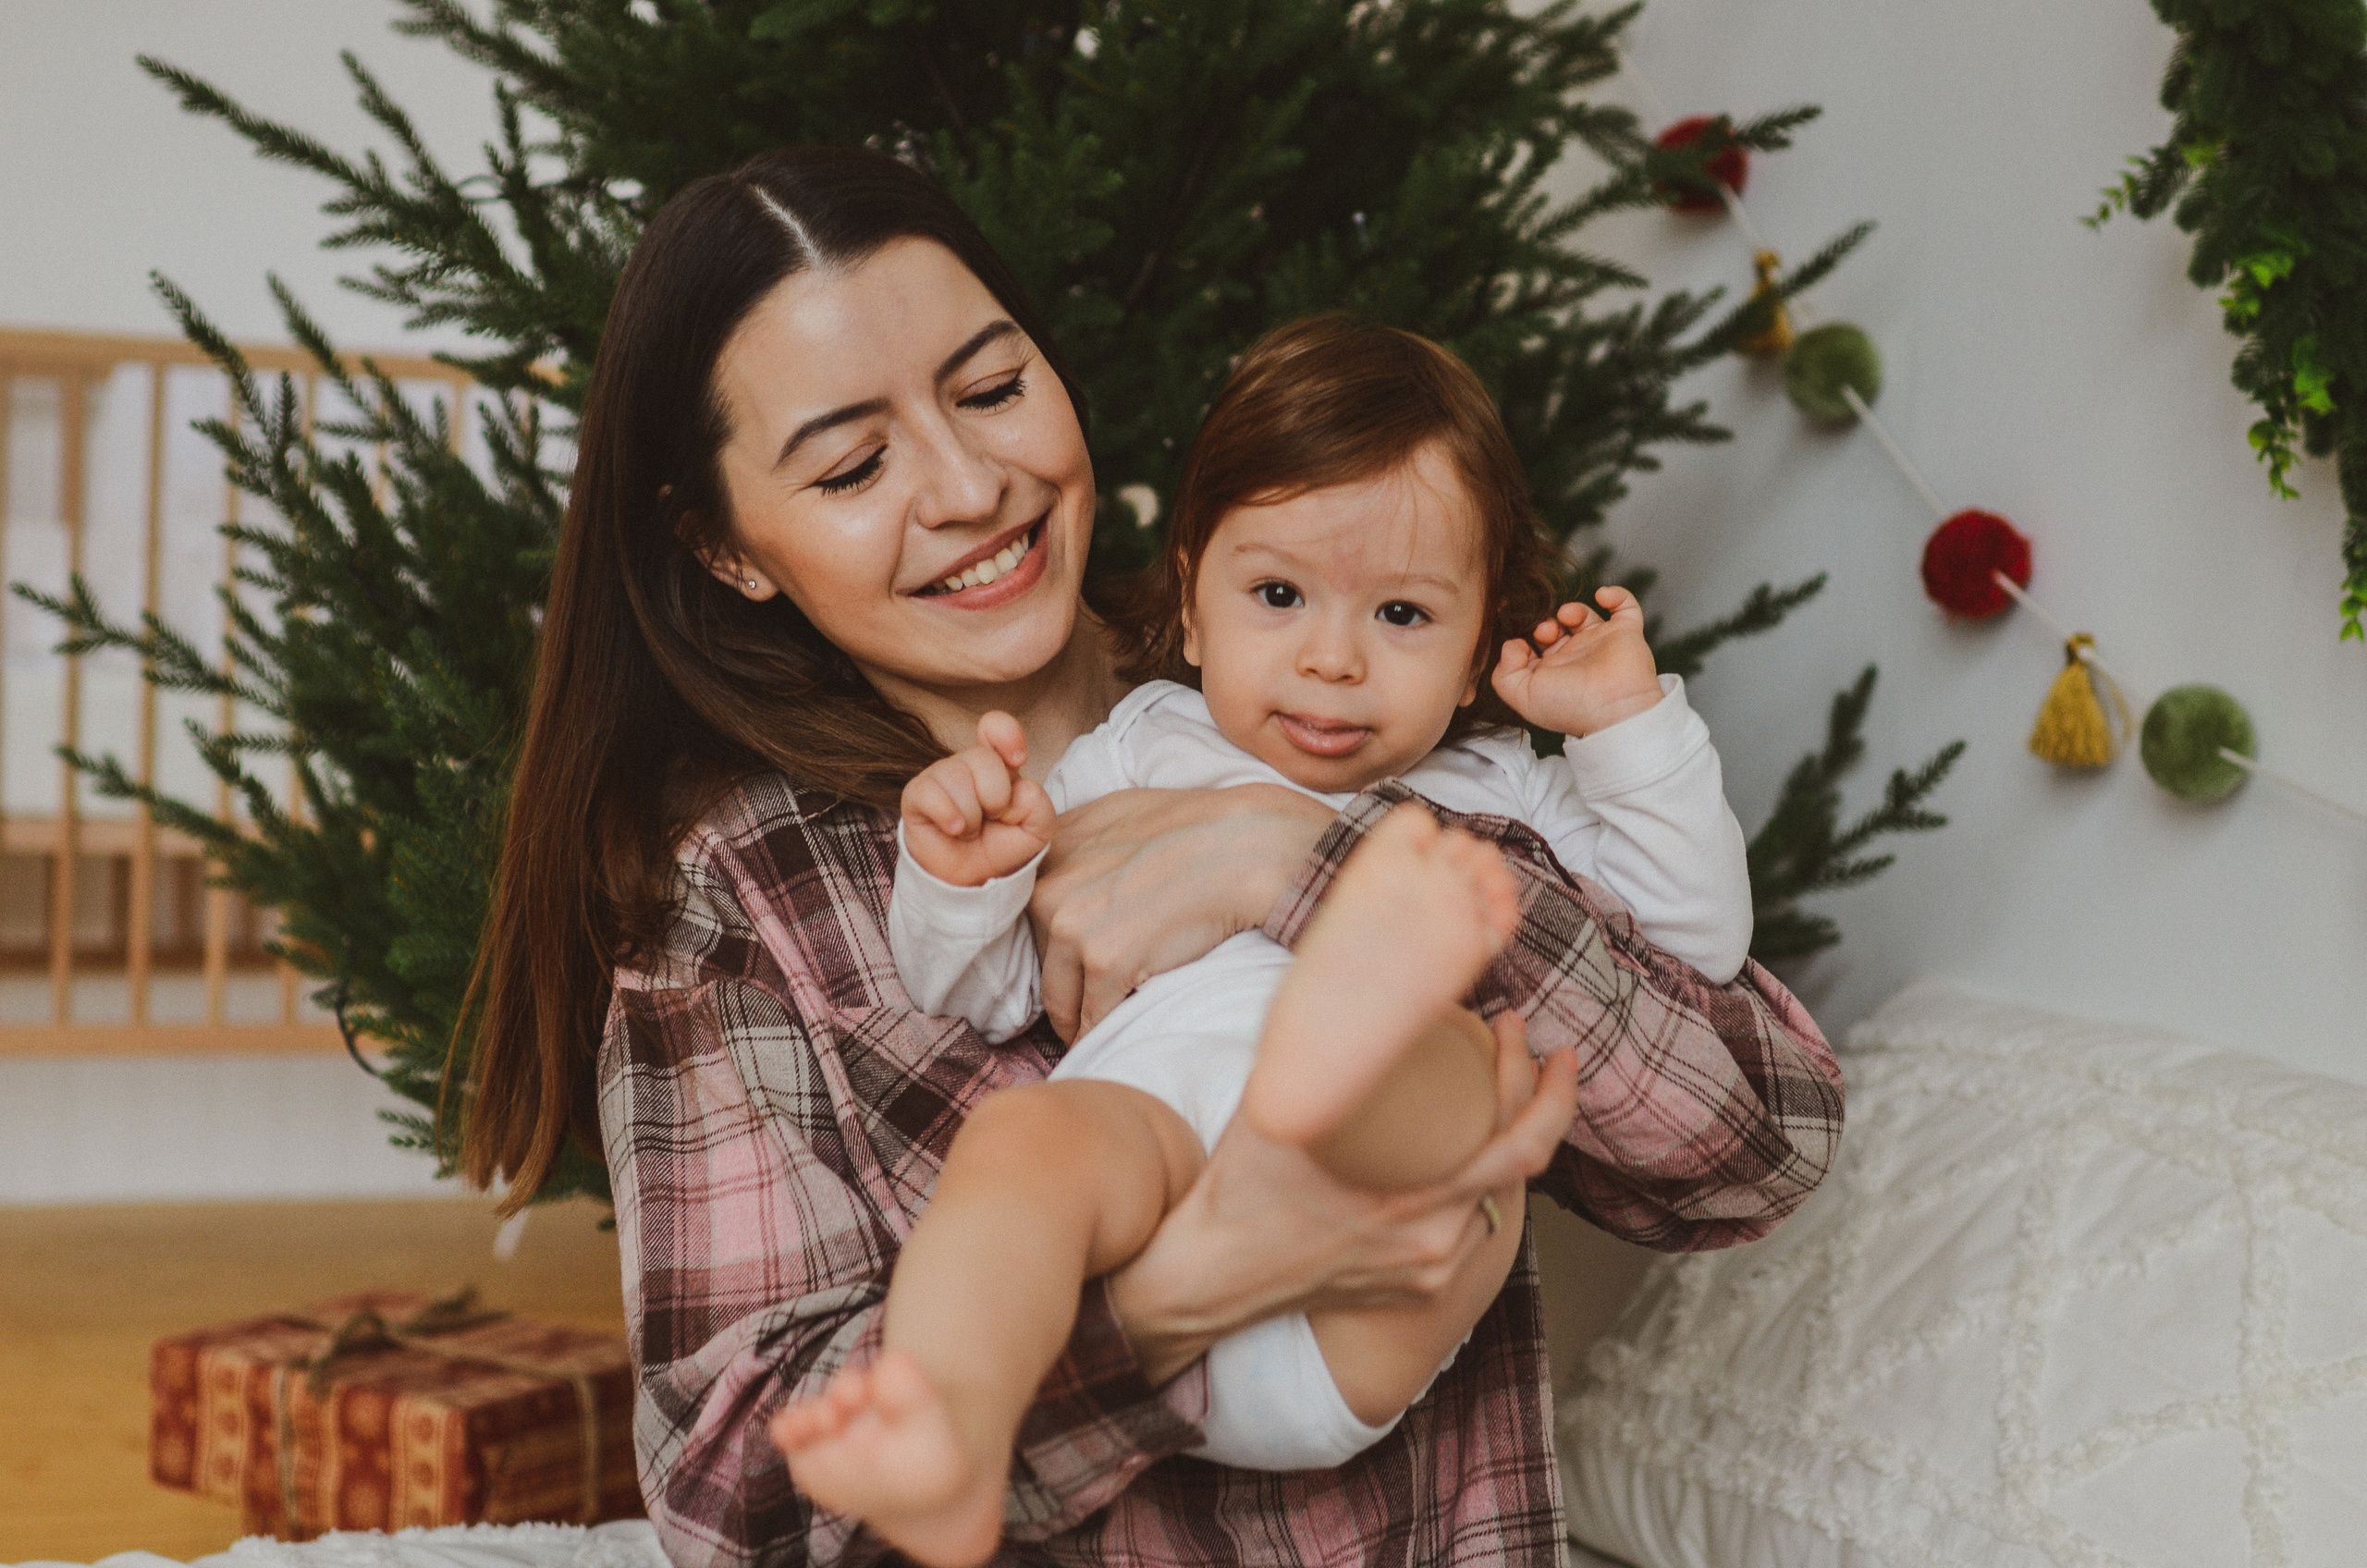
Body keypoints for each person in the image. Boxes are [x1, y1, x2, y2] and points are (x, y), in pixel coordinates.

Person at [455, 143, 1843, 1568]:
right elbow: (735, 1503)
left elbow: (1756, 1149)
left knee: (1416, 1068)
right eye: (856, 464)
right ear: (730, 548)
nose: (969, 485)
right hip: (1169, 1338)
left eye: (994, 390)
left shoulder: (1302, 681)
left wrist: (1298, 856)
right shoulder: (738, 897)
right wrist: (1180, 1296)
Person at [771, 318, 1755, 1566]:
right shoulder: (1135, 751)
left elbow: (1697, 940)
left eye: (1402, 613)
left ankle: (1341, 1052)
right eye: (1278, 596)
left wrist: (1624, 728)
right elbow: (985, 987)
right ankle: (955, 1431)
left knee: (1461, 1076)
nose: (1331, 659)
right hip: (1172, 1196)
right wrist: (970, 874)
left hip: (1379, 1273)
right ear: (1189, 604)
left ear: (1472, 657)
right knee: (1024, 1144)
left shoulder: (1505, 792)